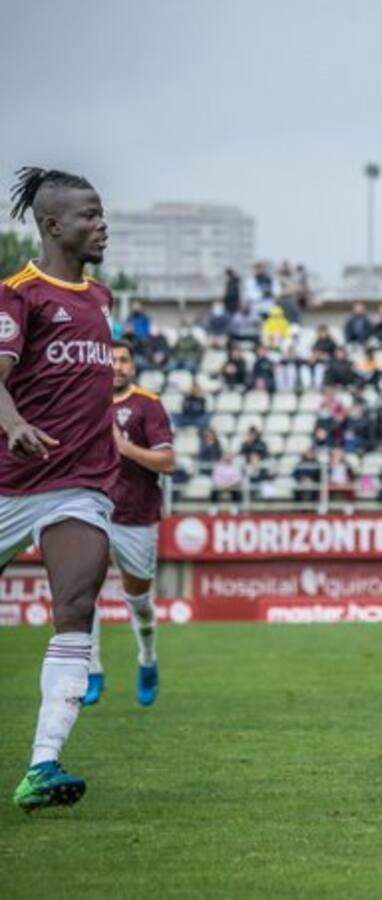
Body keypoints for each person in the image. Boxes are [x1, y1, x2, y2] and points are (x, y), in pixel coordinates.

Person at [2, 167, 122, 811]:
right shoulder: (19, 294)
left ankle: (43, 765)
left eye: (102, 214)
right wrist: (15, 422)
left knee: (74, 608)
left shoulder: (101, 299)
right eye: (91, 214)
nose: (103, 224)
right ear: (53, 225)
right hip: (8, 479)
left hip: (78, 486)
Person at [82, 341, 174, 708]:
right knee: (82, 593)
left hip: (135, 514)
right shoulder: (85, 402)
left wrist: (125, 448)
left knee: (139, 602)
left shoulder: (147, 405)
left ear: (133, 368)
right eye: (111, 360)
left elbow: (167, 462)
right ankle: (91, 670)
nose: (116, 366)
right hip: (90, 509)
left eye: (123, 360)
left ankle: (147, 658)